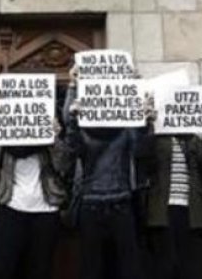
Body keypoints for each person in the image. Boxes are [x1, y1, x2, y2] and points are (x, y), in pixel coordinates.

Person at [0, 88, 70, 279]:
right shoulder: (6, 139)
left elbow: (64, 164)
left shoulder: (48, 137)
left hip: (45, 211)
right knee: (2, 268)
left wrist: (55, 140)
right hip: (12, 208)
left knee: (40, 270)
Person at [65, 78, 153, 279]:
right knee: (92, 267)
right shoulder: (84, 130)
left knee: (128, 267)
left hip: (120, 202)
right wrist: (72, 119)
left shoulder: (126, 128)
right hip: (93, 203)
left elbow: (141, 151)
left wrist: (144, 123)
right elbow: (72, 150)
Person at [140, 130, 202, 279]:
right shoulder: (159, 139)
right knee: (166, 264)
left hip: (193, 212)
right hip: (164, 210)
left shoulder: (196, 141)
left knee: (191, 266)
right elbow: (144, 159)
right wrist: (150, 127)